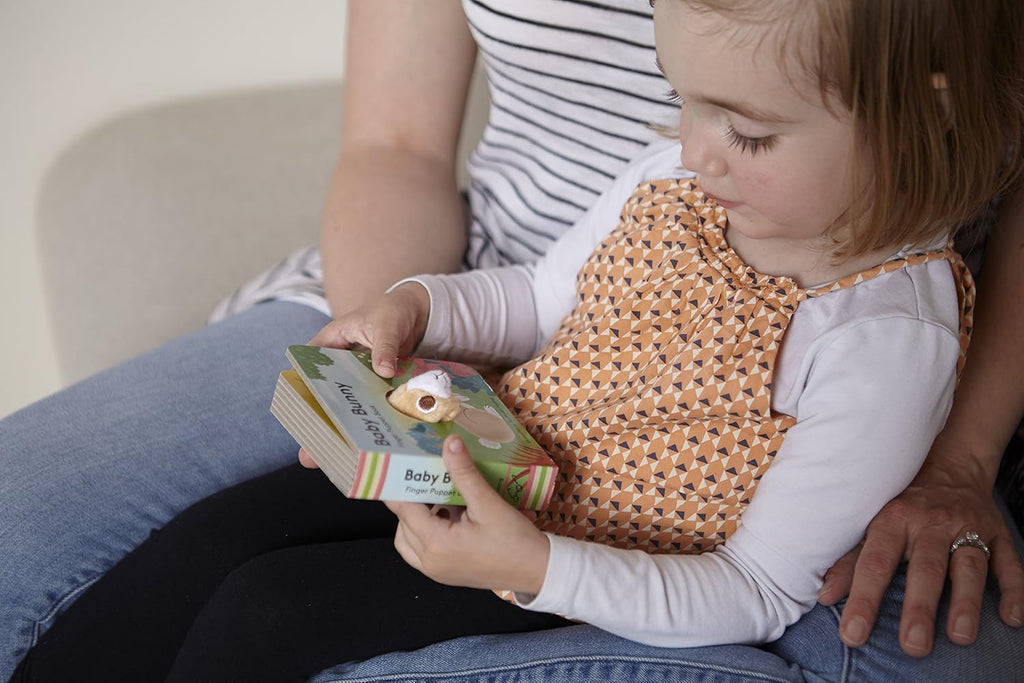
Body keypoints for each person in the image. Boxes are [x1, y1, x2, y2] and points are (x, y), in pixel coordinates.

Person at [3, 0, 1024, 681]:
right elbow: (537, 295)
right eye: (683, 103)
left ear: (921, 117)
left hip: (589, 550)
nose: (695, 147)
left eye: (746, 131)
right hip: (493, 446)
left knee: (271, 611)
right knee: (211, 541)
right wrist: (413, 308)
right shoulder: (674, 173)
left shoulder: (886, 335)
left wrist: (538, 566)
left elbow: (755, 586)